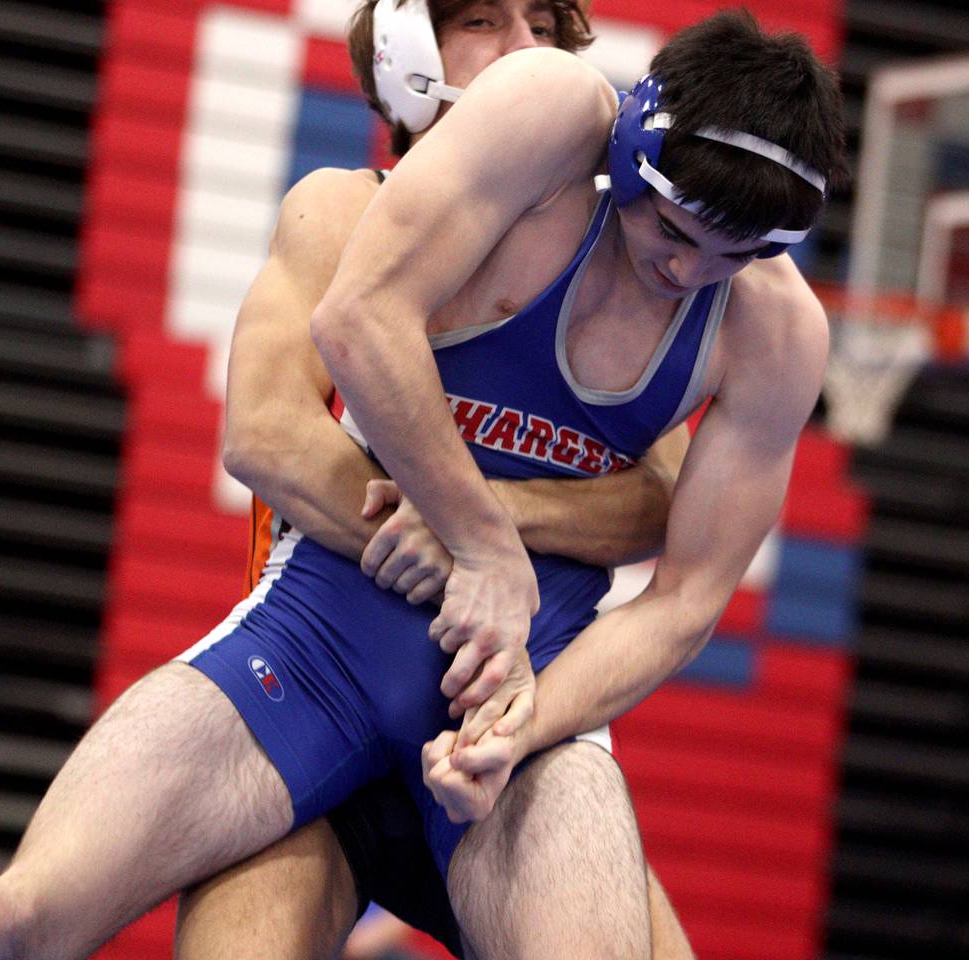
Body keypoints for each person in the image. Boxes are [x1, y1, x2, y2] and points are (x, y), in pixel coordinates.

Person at [0, 9, 844, 959]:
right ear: (629, 149)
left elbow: (685, 591)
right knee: (20, 920)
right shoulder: (478, 149)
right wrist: (482, 549)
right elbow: (305, 382)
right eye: (675, 231)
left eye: (736, 254)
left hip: (507, 692)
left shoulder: (767, 327)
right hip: (320, 654)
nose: (689, 270)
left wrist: (522, 705)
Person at [183, 1, 694, 957]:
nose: (527, 51)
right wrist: (469, 556)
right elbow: (267, 432)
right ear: (407, 57)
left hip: (490, 740)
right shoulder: (344, 210)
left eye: (545, 25)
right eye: (485, 21)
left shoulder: (597, 269)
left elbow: (662, 500)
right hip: (320, 698)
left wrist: (484, 525)